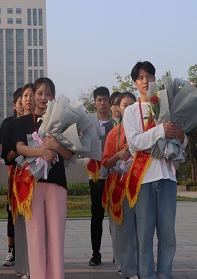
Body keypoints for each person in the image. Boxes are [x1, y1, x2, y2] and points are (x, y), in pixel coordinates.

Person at [123, 61, 187, 279]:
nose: (145, 81)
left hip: (167, 177)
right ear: (135, 83)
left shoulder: (167, 106)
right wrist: (160, 130)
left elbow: (183, 142)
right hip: (143, 179)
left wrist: (179, 134)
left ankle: (165, 274)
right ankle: (147, 275)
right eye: (140, 78)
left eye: (149, 76)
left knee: (168, 234)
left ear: (155, 80)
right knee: (144, 234)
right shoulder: (131, 111)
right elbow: (134, 143)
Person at [15, 77, 73, 279]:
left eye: (48, 94)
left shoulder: (62, 122)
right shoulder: (23, 121)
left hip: (57, 183)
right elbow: (19, 147)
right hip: (33, 184)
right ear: (33, 96)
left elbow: (69, 154)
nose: (43, 98)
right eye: (39, 93)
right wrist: (42, 152)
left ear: (53, 97)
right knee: (35, 236)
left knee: (56, 236)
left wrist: (56, 147)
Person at [101, 91, 139, 279]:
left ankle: (140, 265)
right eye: (125, 105)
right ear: (118, 108)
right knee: (121, 231)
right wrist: (117, 155)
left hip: (139, 186)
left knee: (140, 231)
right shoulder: (113, 133)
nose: (129, 108)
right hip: (118, 187)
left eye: (132, 104)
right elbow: (105, 164)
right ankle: (126, 267)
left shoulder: (145, 131)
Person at [0, 87, 24, 268]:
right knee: (12, 210)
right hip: (14, 173)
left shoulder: (35, 122)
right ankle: (11, 250)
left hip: (33, 173)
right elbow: (3, 150)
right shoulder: (8, 123)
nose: (23, 105)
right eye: (20, 102)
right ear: (14, 105)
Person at [86, 86, 113, 267]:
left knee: (115, 213)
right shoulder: (88, 123)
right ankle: (96, 253)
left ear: (110, 102)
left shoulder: (116, 123)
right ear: (94, 103)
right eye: (99, 100)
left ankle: (118, 251)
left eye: (105, 100)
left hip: (114, 174)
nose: (102, 103)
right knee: (97, 214)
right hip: (96, 174)